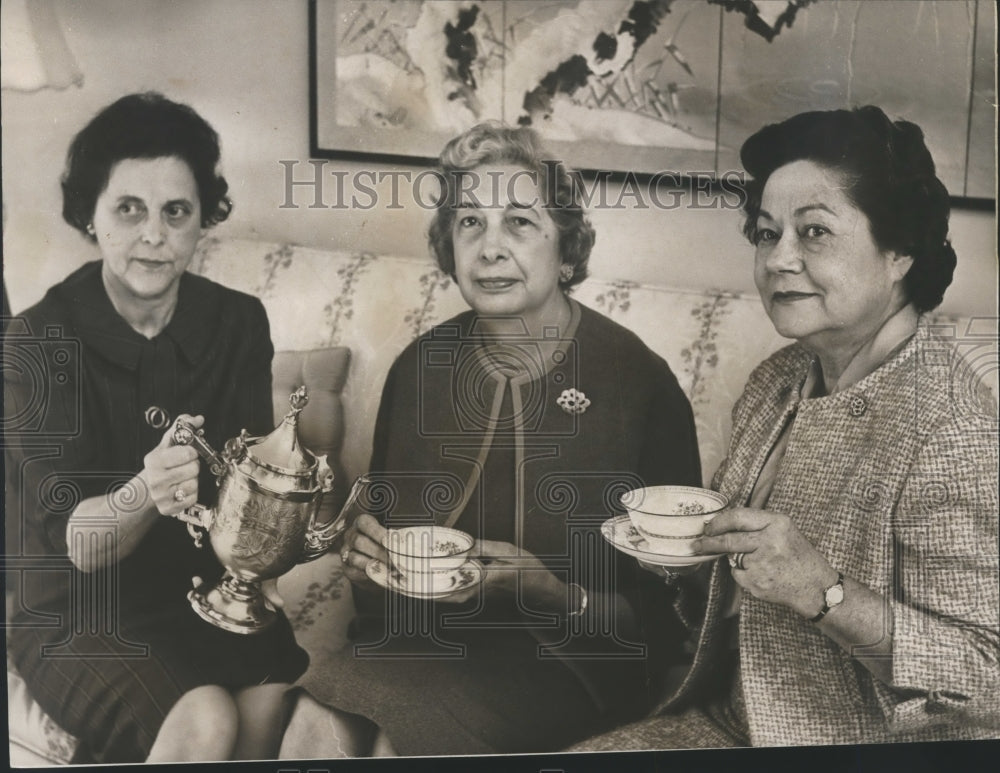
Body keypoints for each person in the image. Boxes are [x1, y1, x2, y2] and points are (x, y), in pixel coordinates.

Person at [569, 105, 999, 750]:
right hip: (734, 718)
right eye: (767, 234)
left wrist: (822, 593)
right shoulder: (781, 379)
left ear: (900, 250)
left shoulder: (951, 429)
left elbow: (986, 679)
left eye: (815, 232)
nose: (779, 260)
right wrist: (681, 558)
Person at [303, 121, 702, 756]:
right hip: (420, 647)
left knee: (390, 744)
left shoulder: (638, 381)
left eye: (519, 223)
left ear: (566, 250)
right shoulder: (420, 367)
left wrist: (550, 591)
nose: (490, 248)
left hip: (573, 667)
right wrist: (364, 557)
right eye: (470, 224)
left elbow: (677, 613)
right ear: (448, 249)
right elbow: (386, 556)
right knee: (313, 723)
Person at [3, 92, 308, 763]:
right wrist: (144, 491)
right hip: (79, 612)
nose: (154, 234)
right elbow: (78, 546)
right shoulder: (36, 341)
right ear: (90, 214)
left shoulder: (237, 322)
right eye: (128, 209)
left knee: (299, 724)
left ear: (204, 220)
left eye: (177, 211)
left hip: (206, 600)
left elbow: (251, 485)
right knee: (205, 720)